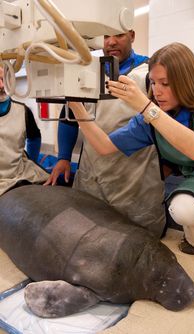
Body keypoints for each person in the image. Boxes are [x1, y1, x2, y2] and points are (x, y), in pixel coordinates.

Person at [66, 42, 194, 333]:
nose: (157, 91)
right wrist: (77, 109)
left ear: (185, 81)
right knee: (182, 210)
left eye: (166, 84)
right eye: (153, 83)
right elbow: (104, 146)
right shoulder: (150, 118)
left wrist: (146, 107)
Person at [45, 30, 166, 237]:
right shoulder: (87, 73)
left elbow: (168, 124)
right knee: (88, 234)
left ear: (132, 35)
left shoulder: (150, 73)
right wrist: (63, 157)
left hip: (137, 176)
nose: (111, 42)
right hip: (94, 170)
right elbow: (69, 117)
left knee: (138, 240)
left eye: (118, 35)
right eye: (105, 36)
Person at [0, 65, 49, 195]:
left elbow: (34, 137)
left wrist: (31, 160)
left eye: (3, 79)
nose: (1, 85)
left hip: (20, 175)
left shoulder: (23, 111)